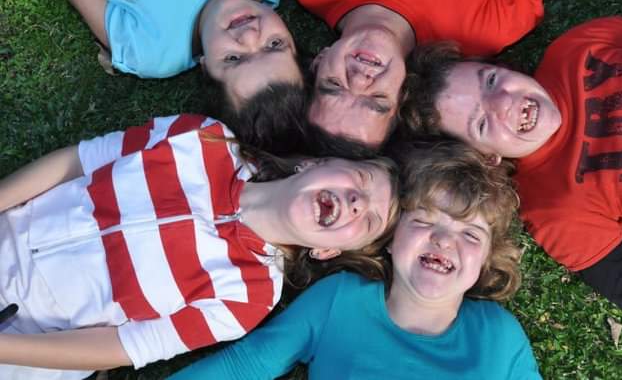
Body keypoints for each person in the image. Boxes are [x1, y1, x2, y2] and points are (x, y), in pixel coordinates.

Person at [0, 113, 400, 379]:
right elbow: (80, 161)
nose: (357, 203)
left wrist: (5, 349)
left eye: (368, 221)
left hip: (25, 339)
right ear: (315, 163)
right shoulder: (204, 137)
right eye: (360, 180)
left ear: (326, 253)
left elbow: (120, 346)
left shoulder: (248, 298)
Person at [402, 7, 622, 318]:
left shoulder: (574, 49)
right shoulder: (555, 209)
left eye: (491, 81)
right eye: (482, 123)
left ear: (503, 67)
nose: (504, 102)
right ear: (487, 157)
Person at [170, 141, 541, 379]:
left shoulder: (498, 335)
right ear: (391, 240)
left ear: (485, 262)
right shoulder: (340, 300)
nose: (443, 240)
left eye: (471, 235)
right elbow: (244, 367)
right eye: (424, 221)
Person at [12, 0, 304, 151]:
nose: (250, 35)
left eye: (234, 59)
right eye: (274, 44)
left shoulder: (153, 48)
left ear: (205, 67)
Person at [291, 0, 551, 150]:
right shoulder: (477, 34)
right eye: (377, 100)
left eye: (335, 86)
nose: (359, 80)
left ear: (319, 61)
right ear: (402, 94)